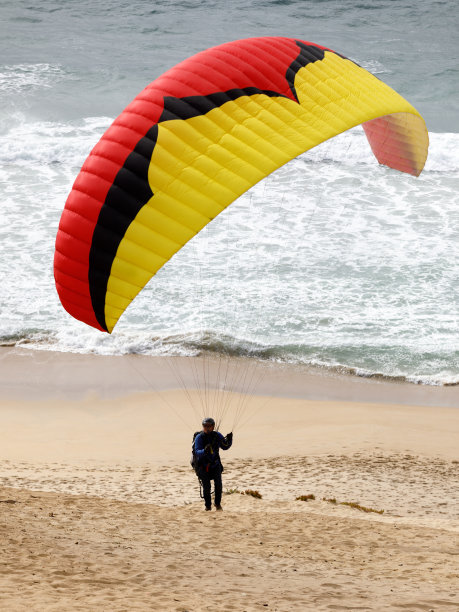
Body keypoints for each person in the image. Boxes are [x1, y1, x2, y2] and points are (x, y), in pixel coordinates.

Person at [193, 417, 233, 511]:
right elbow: (197, 452)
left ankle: (217, 504)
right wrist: (204, 451)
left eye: (209, 426)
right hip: (203, 466)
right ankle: (208, 506)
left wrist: (230, 440)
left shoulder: (217, 435)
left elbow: (225, 446)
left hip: (215, 465)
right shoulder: (200, 437)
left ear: (213, 426)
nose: (207, 428)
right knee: (207, 487)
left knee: (218, 485)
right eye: (205, 426)